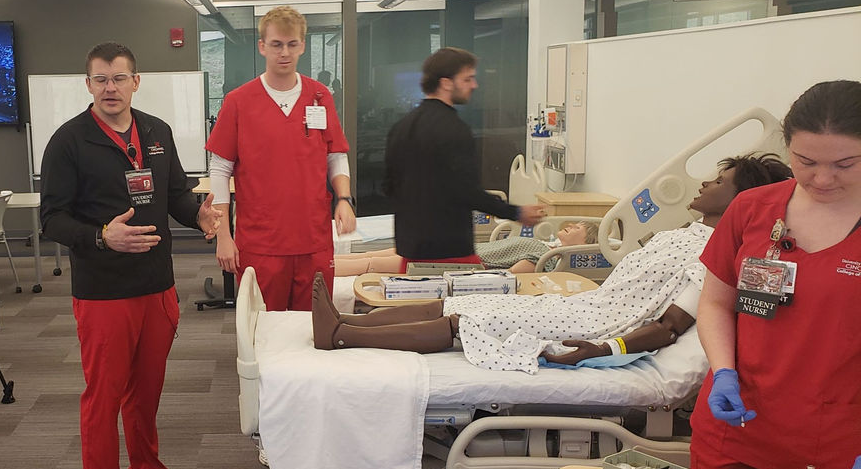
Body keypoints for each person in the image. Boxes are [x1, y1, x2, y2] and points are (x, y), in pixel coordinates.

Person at [310, 154, 792, 375]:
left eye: (718, 181)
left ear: (742, 199)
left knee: (468, 318)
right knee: (457, 298)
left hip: (600, 320)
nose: (704, 184)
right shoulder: (688, 233)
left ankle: (345, 335)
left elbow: (668, 327)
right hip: (590, 303)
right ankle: (348, 319)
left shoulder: (717, 255)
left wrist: (603, 348)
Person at [40, 42, 222, 469]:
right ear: (88, 85)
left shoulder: (157, 132)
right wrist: (102, 235)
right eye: (100, 79)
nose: (110, 88)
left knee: (146, 395)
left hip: (157, 286)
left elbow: (176, 194)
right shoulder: (68, 141)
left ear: (135, 81)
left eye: (119, 78)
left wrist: (198, 214)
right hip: (103, 293)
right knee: (104, 399)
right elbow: (51, 219)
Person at [692, 81, 861, 469]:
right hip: (736, 425)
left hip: (840, 439)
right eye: (805, 161)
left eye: (846, 163)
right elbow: (715, 303)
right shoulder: (750, 209)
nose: (822, 178)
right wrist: (723, 370)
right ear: (787, 147)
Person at [206, 5, 354, 311]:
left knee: (313, 331)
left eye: (291, 44)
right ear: (262, 47)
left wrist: (344, 199)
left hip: (313, 239)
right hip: (262, 243)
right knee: (263, 333)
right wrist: (223, 235)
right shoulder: (239, 101)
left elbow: (335, 153)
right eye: (276, 44)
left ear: (302, 44)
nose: (284, 52)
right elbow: (220, 169)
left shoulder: (319, 96)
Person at [385, 48, 546, 270]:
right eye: (468, 79)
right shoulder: (454, 130)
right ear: (446, 83)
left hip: (410, 250)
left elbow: (389, 186)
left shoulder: (401, 128)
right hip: (449, 252)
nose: (474, 85)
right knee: (460, 306)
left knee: (420, 305)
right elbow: (467, 192)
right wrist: (516, 212)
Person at [333, 220, 598, 275]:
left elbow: (510, 276)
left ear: (585, 246)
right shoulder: (546, 246)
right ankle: (324, 261)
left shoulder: (546, 259)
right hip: (455, 249)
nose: (570, 225)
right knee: (380, 253)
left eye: (577, 228)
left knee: (373, 266)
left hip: (458, 262)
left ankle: (322, 270)